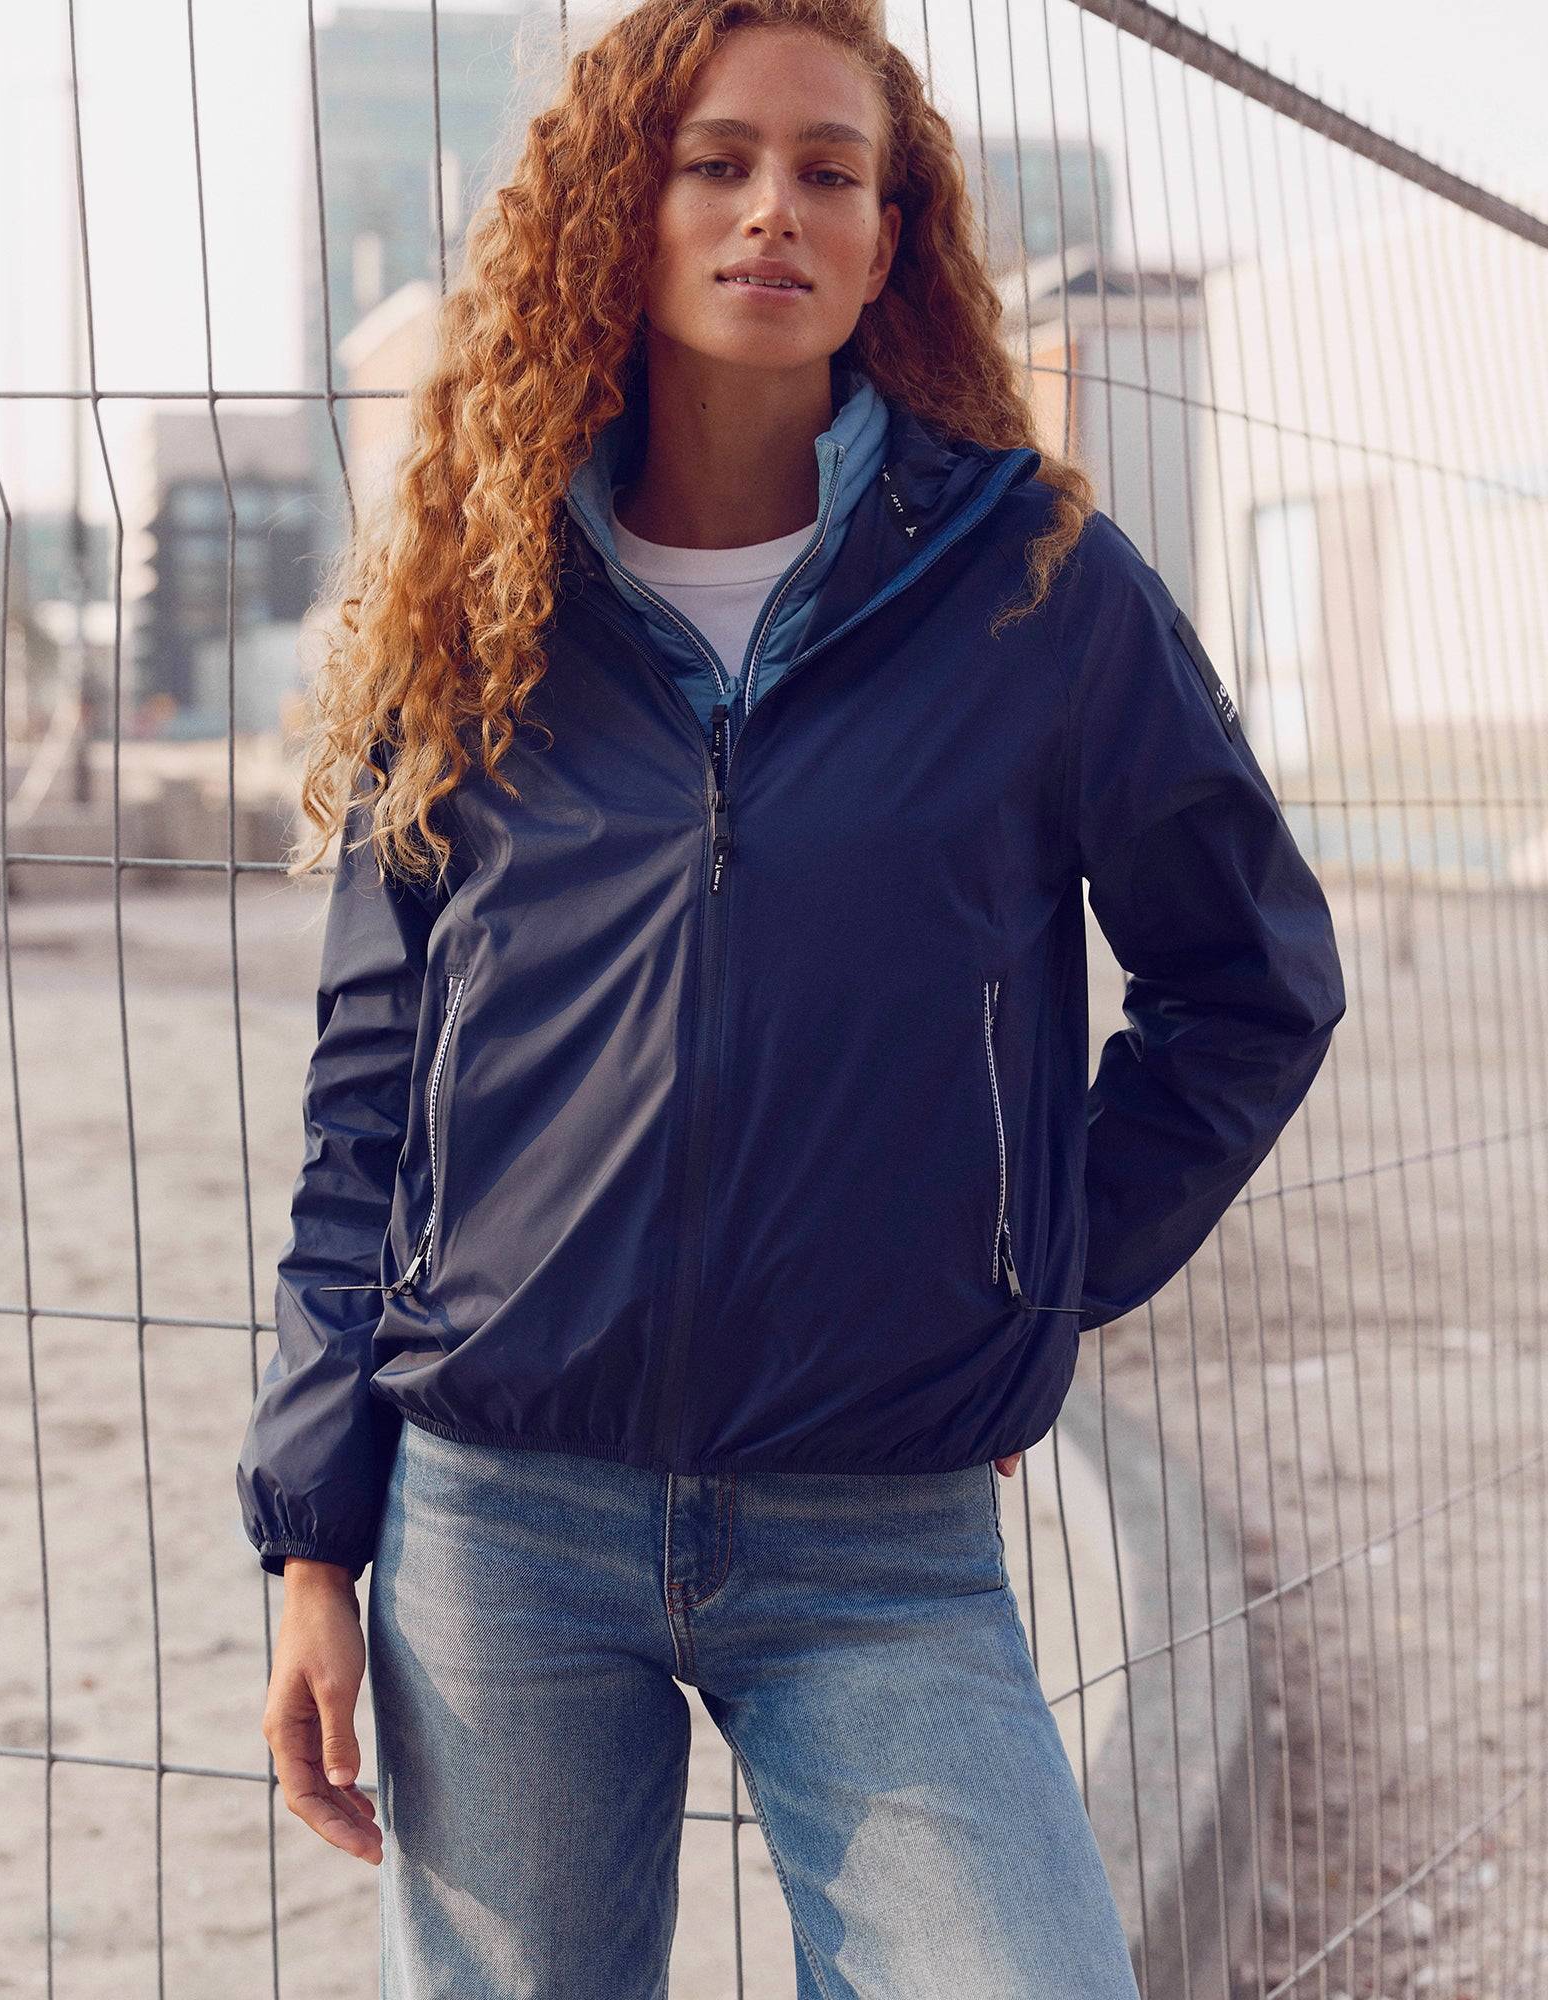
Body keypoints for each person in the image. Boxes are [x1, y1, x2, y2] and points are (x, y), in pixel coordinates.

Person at [235, 0, 1347, 1992]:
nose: (775, 210)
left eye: (830, 171)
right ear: (624, 209)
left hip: (879, 1540)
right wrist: (315, 1537)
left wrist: (1035, 1279)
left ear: (887, 235)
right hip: (501, 1520)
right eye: (718, 162)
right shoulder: (482, 601)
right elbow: (368, 1095)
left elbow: (1246, 981)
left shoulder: (1037, 588)